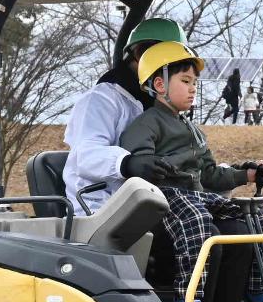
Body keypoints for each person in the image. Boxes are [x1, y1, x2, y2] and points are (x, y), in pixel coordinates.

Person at [117, 43, 263, 300]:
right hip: (166, 202)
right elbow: (139, 167)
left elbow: (209, 173)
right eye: (186, 81)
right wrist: (146, 165)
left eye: (195, 83)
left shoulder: (192, 129)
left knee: (250, 219)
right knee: (200, 223)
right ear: (160, 85)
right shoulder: (147, 123)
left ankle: (252, 292)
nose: (193, 88)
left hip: (195, 198)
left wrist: (247, 174)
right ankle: (189, 300)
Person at [62, 17, 188, 213]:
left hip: (146, 205)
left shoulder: (158, 106)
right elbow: (85, 156)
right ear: (139, 53)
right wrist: (127, 163)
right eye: (166, 63)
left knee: (233, 226)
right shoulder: (101, 100)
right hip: (100, 210)